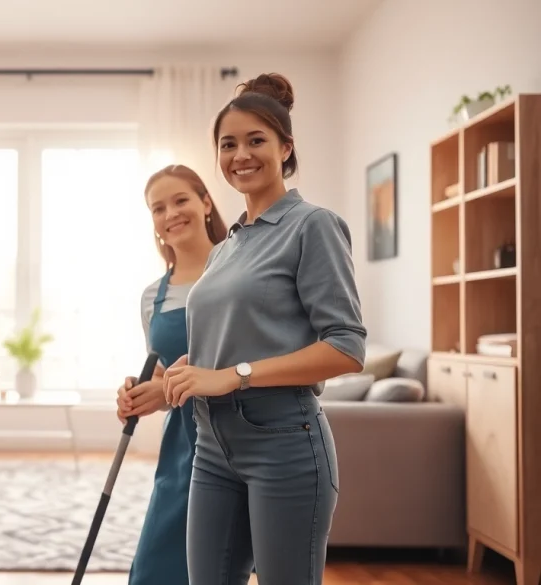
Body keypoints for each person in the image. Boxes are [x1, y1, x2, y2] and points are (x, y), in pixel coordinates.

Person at [162, 73, 367, 585]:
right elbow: (237, 333)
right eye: (228, 144)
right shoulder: (228, 244)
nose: (241, 155)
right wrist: (195, 368)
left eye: (256, 140)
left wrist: (234, 374)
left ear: (285, 147)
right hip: (212, 446)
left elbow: (346, 347)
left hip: (284, 443)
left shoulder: (312, 225)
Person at [116, 164, 228, 584]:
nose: (170, 214)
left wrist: (170, 389)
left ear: (204, 202)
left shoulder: (239, 271)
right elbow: (163, 371)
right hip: (183, 443)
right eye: (157, 208)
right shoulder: (153, 297)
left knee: (217, 565)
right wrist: (141, 392)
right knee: (156, 565)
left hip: (237, 433)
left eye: (180, 199)